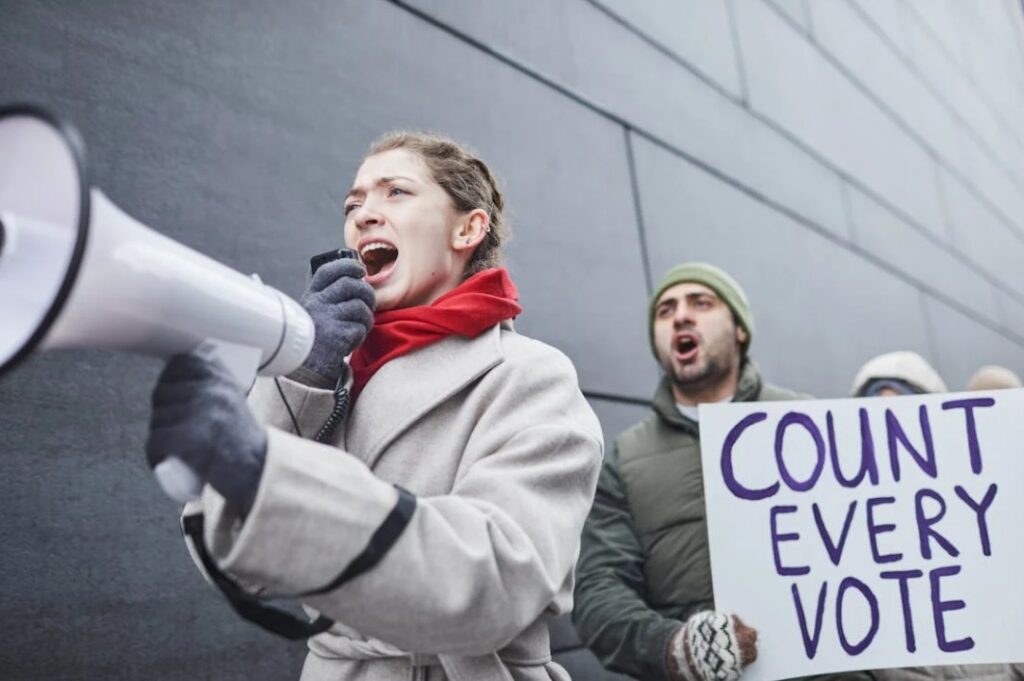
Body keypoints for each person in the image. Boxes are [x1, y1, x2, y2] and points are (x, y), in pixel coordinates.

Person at [144, 132, 604, 681]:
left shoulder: (530, 374)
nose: (364, 214)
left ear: (468, 228)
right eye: (353, 203)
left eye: (396, 193)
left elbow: (496, 585)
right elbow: (230, 563)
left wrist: (263, 467)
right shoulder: (322, 373)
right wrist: (300, 376)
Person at [572, 262, 873, 681]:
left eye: (701, 303)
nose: (680, 315)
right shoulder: (624, 460)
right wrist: (674, 648)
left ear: (740, 331)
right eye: (665, 310)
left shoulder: (810, 423)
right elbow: (598, 594)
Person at [851, 353, 1024, 681]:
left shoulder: (992, 510)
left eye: (904, 411)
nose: (891, 429)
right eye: (873, 413)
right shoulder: (852, 533)